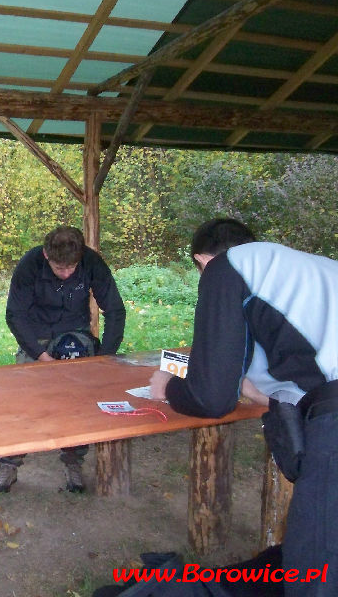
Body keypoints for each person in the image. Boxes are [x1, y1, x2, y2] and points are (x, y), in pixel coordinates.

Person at [148, 218, 338, 597]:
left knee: (316, 573)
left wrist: (168, 386)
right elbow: (315, 382)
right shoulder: (313, 269)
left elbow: (212, 399)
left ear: (204, 261)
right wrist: (253, 391)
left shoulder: (225, 267)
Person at [0, 225, 126, 494]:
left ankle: (73, 460)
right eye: (59, 268)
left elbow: (115, 310)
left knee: (79, 401)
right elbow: (14, 315)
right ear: (45, 255)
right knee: (24, 402)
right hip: (37, 336)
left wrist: (104, 358)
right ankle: (10, 463)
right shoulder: (29, 265)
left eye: (71, 268)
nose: (66, 274)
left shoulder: (92, 262)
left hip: (75, 332)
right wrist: (40, 355)